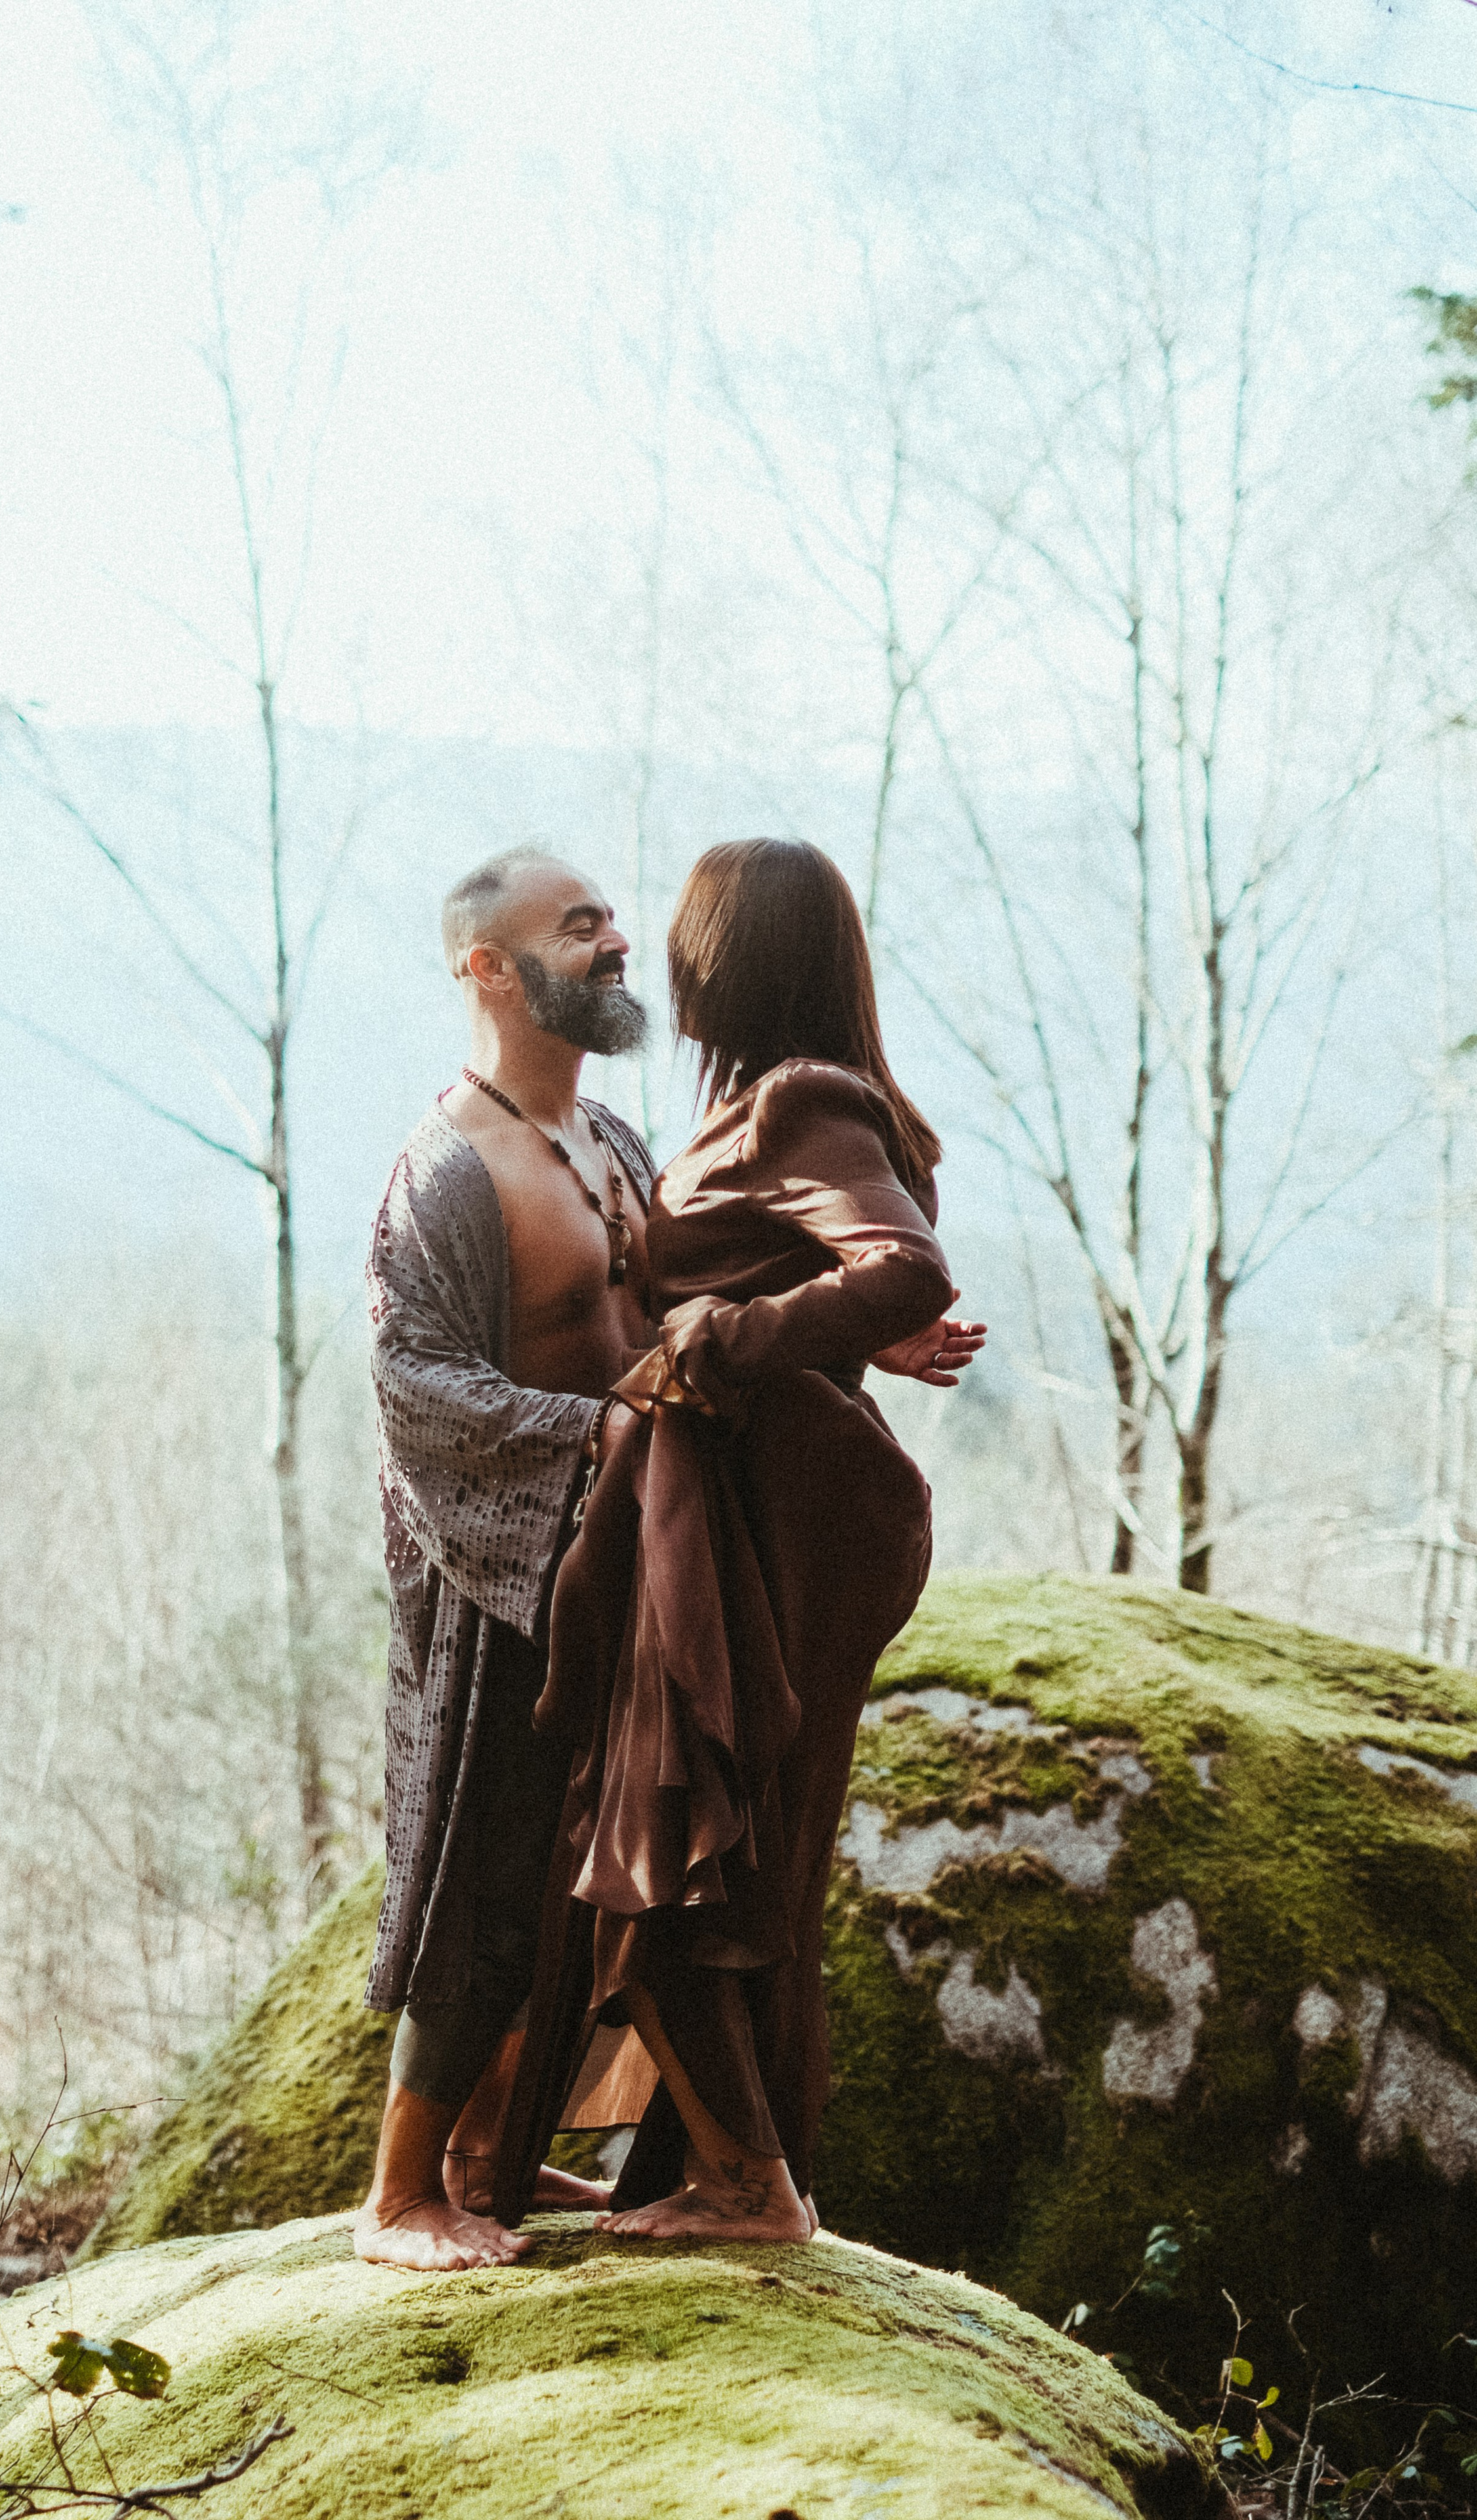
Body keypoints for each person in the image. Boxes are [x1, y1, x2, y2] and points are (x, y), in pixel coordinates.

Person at [493, 837, 986, 2242]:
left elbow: (899, 1263)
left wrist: (722, 1343)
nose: (665, 960)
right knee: (723, 1848)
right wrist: (834, 1342)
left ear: (740, 959)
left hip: (766, 1532)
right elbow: (843, 1282)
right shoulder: (762, 1109)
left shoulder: (798, 1102)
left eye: (690, 937)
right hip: (715, 1517)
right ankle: (696, 2172)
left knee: (690, 1852)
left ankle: (750, 2190)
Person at [350, 846, 659, 2273]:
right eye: (577, 925)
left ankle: (495, 2154)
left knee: (589, 1881)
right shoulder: (441, 1176)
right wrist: (598, 1435)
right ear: (484, 967)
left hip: (632, 1569)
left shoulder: (615, 1147)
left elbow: (701, 1308)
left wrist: (868, 1333)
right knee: (481, 1874)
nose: (613, 942)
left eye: (608, 919)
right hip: (495, 1578)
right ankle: (400, 2197)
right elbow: (421, 1392)